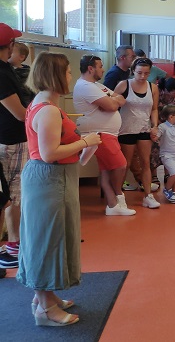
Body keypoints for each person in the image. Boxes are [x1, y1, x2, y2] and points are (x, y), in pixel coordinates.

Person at [17, 52, 102, 327]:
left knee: (49, 237)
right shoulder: (48, 110)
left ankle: (46, 296)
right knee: (47, 240)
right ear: (55, 75)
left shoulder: (43, 104)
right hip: (50, 179)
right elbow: (49, 153)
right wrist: (86, 141)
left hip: (53, 178)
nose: (70, 76)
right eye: (67, 72)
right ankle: (45, 308)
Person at [73, 55, 136, 216]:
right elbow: (112, 105)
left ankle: (112, 204)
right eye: (100, 66)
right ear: (90, 68)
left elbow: (121, 99)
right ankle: (118, 197)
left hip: (108, 133)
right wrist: (112, 102)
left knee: (107, 170)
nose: (103, 69)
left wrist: (113, 101)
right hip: (100, 132)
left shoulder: (97, 86)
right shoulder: (85, 86)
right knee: (120, 165)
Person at [114, 57, 161, 209]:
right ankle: (118, 196)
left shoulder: (153, 88)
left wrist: (154, 125)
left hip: (144, 128)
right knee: (125, 164)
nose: (142, 76)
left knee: (145, 162)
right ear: (133, 71)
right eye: (139, 73)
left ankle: (148, 195)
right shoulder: (124, 85)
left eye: (146, 73)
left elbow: (154, 109)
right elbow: (112, 104)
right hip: (126, 129)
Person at [0, 24, 27, 269]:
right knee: (9, 197)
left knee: (11, 196)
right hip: (8, 142)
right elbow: (19, 113)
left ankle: (12, 244)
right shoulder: (1, 73)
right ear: (9, 45)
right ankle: (11, 246)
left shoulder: (7, 69)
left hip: (11, 140)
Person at [154, 105, 175, 204]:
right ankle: (167, 189)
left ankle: (173, 193)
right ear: (171, 117)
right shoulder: (163, 127)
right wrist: (154, 135)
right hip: (167, 155)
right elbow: (156, 137)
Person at [8, 41, 35, 107]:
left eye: (11, 52)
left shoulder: (26, 73)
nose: (8, 54)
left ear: (21, 57)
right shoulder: (7, 69)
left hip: (24, 104)